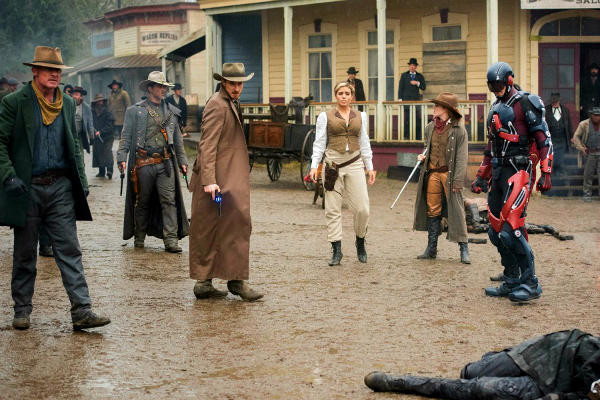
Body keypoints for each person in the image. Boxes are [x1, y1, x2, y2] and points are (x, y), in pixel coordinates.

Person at [0, 46, 110, 330]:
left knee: (70, 249)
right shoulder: (15, 102)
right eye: (49, 69)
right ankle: (22, 309)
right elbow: (0, 142)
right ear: (34, 71)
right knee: (25, 253)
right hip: (27, 188)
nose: (54, 75)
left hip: (60, 186)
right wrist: (8, 176)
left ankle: (82, 310)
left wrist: (81, 182)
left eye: (58, 70)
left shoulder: (68, 103)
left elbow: (74, 144)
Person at [471, 61, 553, 303]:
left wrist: (546, 172)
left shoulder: (527, 102)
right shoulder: (496, 107)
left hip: (519, 171)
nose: (495, 89)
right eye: (491, 85)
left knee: (512, 230)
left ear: (508, 80)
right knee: (495, 231)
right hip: (499, 172)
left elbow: (544, 139)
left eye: (497, 84)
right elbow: (491, 147)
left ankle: (531, 283)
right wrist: (481, 175)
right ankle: (512, 278)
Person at [188, 63, 263, 301]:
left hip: (229, 178)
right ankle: (207, 282)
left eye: (240, 83)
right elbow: (207, 145)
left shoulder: (230, 102)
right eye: (232, 83)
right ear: (223, 82)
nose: (237, 88)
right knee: (211, 228)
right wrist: (209, 181)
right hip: (218, 182)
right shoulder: (217, 104)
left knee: (235, 225)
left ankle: (233, 279)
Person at [365, 329, 600, 400]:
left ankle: (399, 382)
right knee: (469, 371)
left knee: (478, 389)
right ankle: (500, 357)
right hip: (550, 349)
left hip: (551, 385)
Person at [117, 71, 189, 253]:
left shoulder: (172, 112)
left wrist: (182, 161)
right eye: (160, 86)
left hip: (166, 163)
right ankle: (139, 238)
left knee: (169, 201)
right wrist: (121, 158)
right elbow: (125, 136)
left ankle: (171, 240)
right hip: (143, 163)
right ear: (150, 88)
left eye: (165, 86)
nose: (163, 89)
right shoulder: (135, 111)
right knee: (142, 202)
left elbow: (178, 139)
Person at [308, 81, 376, 266]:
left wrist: (369, 167)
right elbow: (319, 143)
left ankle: (360, 240)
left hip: (354, 163)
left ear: (352, 96)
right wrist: (314, 166)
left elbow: (364, 142)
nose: (344, 96)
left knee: (362, 208)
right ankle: (336, 249)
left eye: (347, 93)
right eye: (340, 93)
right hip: (332, 164)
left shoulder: (361, 116)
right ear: (336, 96)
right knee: (332, 209)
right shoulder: (325, 116)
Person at [413, 92, 470, 264]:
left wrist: (458, 180)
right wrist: (423, 157)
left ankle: (464, 249)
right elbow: (428, 148)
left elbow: (462, 158)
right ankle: (431, 249)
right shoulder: (429, 127)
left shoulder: (459, 130)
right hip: (432, 173)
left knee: (457, 210)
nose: (434, 108)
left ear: (446, 109)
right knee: (433, 210)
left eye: (437, 105)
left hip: (449, 175)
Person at [573, 106, 600, 202]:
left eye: (598, 115)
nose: (597, 117)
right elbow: (576, 137)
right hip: (590, 153)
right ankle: (587, 195)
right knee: (588, 175)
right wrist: (581, 148)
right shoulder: (584, 124)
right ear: (591, 115)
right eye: (595, 115)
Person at [398, 58, 427, 139]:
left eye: (414, 65)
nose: (412, 67)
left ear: (416, 67)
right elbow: (400, 88)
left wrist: (417, 83)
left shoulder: (419, 76)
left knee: (417, 118)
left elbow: (424, 87)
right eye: (411, 65)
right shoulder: (404, 75)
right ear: (409, 66)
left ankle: (417, 136)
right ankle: (407, 136)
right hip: (406, 100)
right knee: (407, 118)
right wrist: (400, 99)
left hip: (416, 101)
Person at [545, 92, 572, 175]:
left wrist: (571, 136)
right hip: (551, 137)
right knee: (552, 154)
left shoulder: (565, 110)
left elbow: (569, 124)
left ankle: (560, 170)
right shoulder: (546, 110)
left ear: (559, 101)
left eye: (556, 102)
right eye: (553, 102)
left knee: (561, 155)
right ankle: (552, 170)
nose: (554, 103)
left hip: (562, 137)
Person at [91, 94, 115, 179]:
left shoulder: (108, 112)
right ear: (95, 102)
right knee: (99, 153)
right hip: (97, 137)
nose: (99, 103)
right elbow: (90, 122)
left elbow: (110, 125)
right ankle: (101, 172)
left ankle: (110, 171)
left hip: (108, 136)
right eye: (98, 101)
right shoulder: (92, 112)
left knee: (107, 152)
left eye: (101, 101)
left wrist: (101, 131)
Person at [71, 86, 94, 159]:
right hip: (69, 135)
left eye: (76, 94)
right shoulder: (68, 105)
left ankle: (81, 165)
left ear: (81, 96)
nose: (74, 96)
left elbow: (90, 123)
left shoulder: (86, 107)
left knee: (80, 155)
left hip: (79, 135)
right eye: (73, 94)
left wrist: (91, 136)